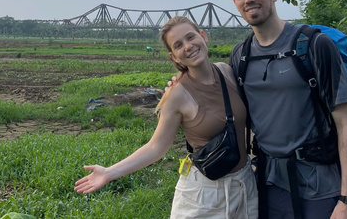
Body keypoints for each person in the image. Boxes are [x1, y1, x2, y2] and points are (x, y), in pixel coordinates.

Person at [75, 16, 258, 219]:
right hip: (205, 195)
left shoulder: (226, 71)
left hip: (244, 186)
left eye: (191, 37)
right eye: (178, 45)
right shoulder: (176, 95)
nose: (188, 47)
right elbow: (156, 147)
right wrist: (110, 172)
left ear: (203, 37)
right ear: (174, 57)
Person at [229, 0, 347, 219]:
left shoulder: (315, 45)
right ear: (235, 2)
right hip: (268, 183)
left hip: (319, 184)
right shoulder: (240, 55)